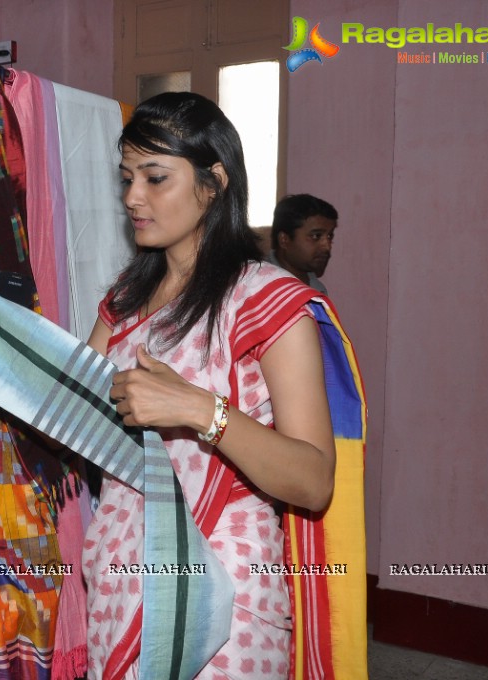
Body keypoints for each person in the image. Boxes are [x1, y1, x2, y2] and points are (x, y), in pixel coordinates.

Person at [83, 92, 336, 678]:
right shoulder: (124, 301)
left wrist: (199, 409)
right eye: (127, 178)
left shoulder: (264, 299)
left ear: (213, 181)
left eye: (155, 177)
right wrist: (1, 336)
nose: (132, 198)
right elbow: (68, 415)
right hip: (122, 568)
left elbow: (314, 480)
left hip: (223, 584)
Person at [269, 193, 338, 294]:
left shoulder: (317, 288)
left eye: (329, 236)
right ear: (284, 240)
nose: (327, 247)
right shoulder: (259, 287)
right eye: (316, 236)